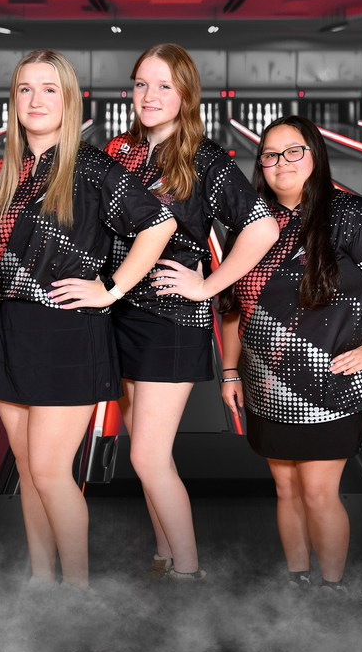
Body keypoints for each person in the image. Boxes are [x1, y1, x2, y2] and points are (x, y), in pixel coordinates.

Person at [0, 50, 176, 591]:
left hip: (68, 334)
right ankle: (43, 582)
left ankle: (78, 592)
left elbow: (158, 223)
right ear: (13, 101)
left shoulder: (91, 167)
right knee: (28, 471)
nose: (35, 100)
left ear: (68, 100)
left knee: (47, 470)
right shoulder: (3, 171)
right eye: (25, 90)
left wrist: (111, 288)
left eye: (49, 90)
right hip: (8, 332)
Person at [102, 44, 279, 582]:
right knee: (143, 453)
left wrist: (206, 287)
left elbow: (262, 228)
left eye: (164, 86)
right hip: (118, 314)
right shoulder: (119, 150)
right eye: (141, 84)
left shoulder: (204, 158)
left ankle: (189, 572)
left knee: (147, 457)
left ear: (185, 94)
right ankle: (165, 556)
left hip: (170, 322)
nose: (149, 96)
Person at [220, 115, 362, 595]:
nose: (281, 163)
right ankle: (298, 581)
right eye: (270, 154)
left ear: (315, 155)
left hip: (328, 386)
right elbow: (231, 305)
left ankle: (331, 589)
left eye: (294, 151)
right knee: (286, 489)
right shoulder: (251, 224)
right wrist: (229, 371)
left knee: (316, 492)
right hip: (266, 383)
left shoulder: (352, 215)